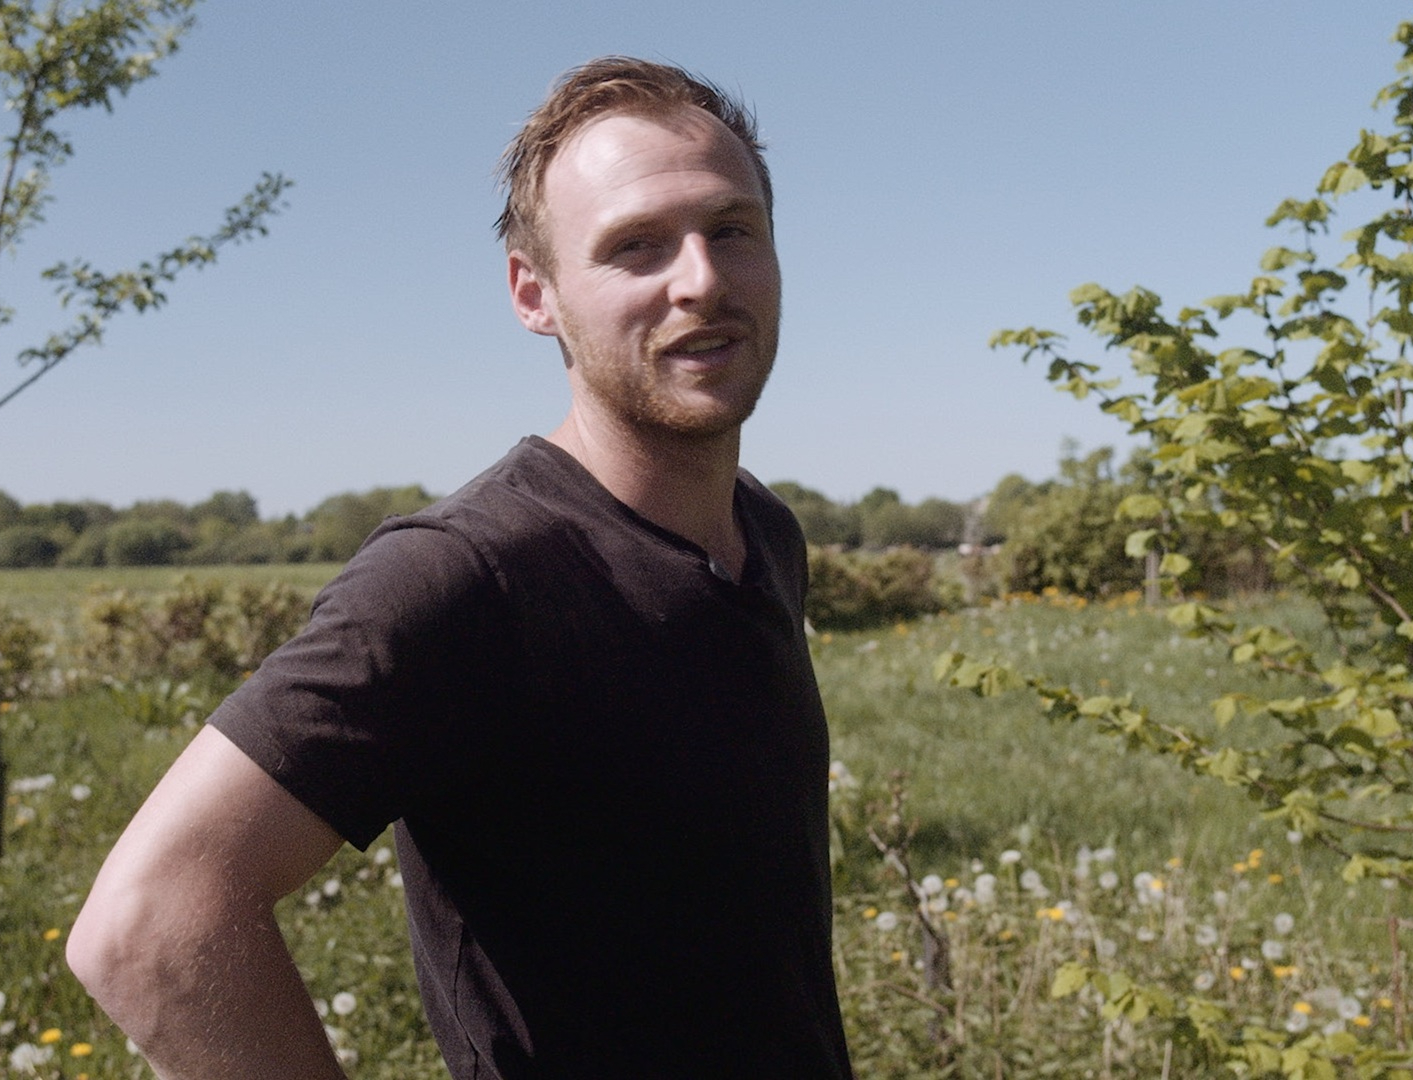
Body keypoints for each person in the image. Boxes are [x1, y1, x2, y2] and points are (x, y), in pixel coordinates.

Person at [67, 57, 856, 1080]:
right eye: (635, 247)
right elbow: (147, 923)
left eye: (732, 228)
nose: (700, 278)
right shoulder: (467, 579)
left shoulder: (763, 535)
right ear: (537, 294)